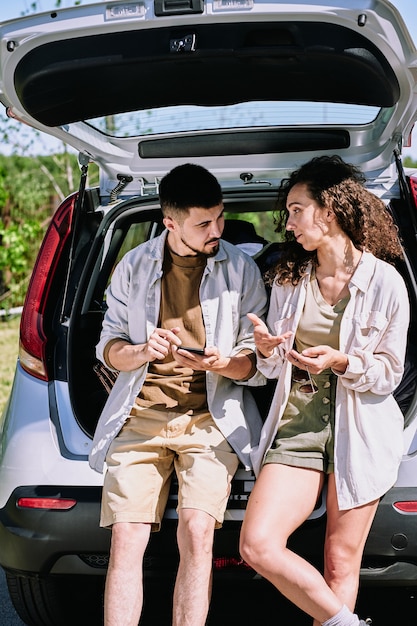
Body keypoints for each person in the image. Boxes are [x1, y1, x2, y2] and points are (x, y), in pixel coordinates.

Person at [89, 163, 268, 626]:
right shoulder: (134, 265)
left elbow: (257, 362)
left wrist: (220, 363)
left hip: (211, 418)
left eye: (220, 218)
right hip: (141, 416)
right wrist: (139, 351)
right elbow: (108, 347)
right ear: (170, 223)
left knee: (197, 531)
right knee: (126, 537)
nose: (218, 231)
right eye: (204, 223)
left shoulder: (241, 268)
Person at [239, 155, 409, 626]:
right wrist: (268, 349)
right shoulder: (290, 279)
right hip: (298, 426)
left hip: (363, 432)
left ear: (329, 210)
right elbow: (272, 369)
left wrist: (343, 362)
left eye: (296, 210)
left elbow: (389, 373)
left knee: (340, 562)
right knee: (257, 545)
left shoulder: (386, 282)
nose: (288, 224)